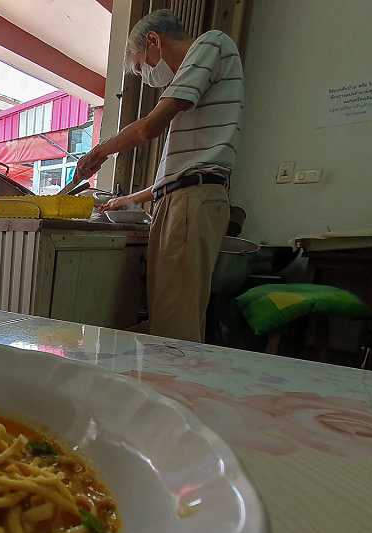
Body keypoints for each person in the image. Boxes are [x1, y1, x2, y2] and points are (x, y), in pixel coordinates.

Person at [74, 9, 243, 343]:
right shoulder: (192, 91)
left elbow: (149, 127)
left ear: (153, 41)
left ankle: (173, 393)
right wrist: (130, 199)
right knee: (172, 315)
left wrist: (98, 152)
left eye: (141, 66)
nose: (146, 74)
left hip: (191, 203)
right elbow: (179, 174)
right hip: (184, 200)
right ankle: (171, 390)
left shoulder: (211, 44)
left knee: (174, 324)